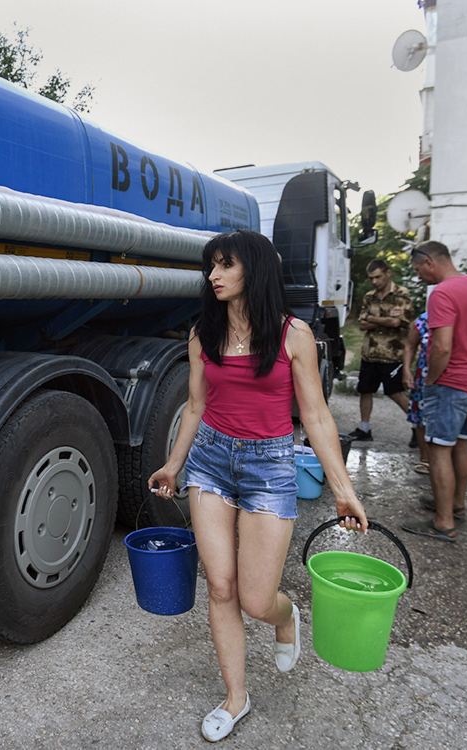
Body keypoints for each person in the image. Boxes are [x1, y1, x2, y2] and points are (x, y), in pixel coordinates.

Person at [147, 230, 367, 742]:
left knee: (256, 599)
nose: (213, 276)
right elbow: (197, 407)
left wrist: (343, 489)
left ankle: (285, 617)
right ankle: (235, 697)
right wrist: (173, 464)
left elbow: (314, 415)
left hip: (270, 466)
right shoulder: (203, 333)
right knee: (220, 586)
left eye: (225, 265)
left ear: (255, 270)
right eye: (211, 267)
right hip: (211, 464)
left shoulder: (294, 335)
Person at [401, 241, 467, 542]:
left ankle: (443, 522)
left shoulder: (443, 292)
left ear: (429, 262)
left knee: (438, 448)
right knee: (460, 443)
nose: (419, 276)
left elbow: (442, 346)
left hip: (451, 384)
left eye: (419, 269)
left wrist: (431, 379)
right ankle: (455, 504)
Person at [347, 259, 414, 442]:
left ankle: (418, 427)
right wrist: (385, 318)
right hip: (371, 352)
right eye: (371, 278)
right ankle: (364, 429)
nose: (375, 282)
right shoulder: (370, 296)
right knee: (365, 390)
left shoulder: (401, 295)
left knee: (395, 393)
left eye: (378, 277)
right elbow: (361, 324)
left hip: (392, 354)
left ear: (387, 273)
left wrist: (373, 318)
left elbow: (397, 323)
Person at [402, 311, 431, 474]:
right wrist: (407, 370)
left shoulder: (463, 317)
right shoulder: (424, 319)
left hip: (451, 379)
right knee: (419, 418)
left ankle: (449, 463)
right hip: (423, 377)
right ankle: (425, 458)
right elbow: (410, 345)